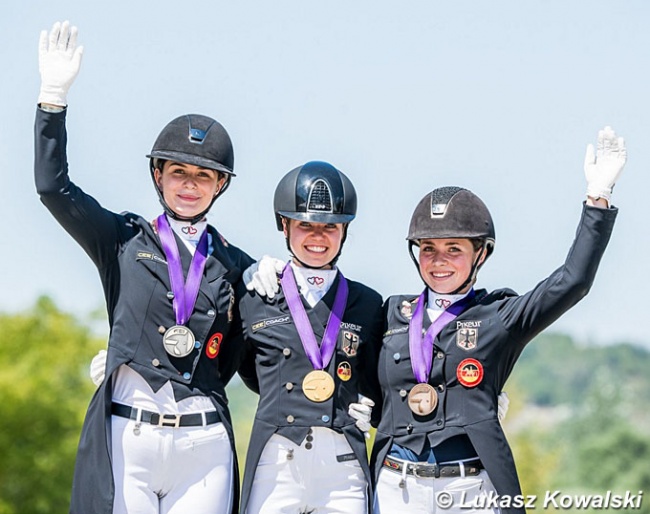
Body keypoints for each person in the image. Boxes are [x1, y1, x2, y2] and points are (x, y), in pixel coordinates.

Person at [35, 21, 254, 514]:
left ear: (220, 185)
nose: (190, 185)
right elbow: (54, 189)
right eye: (178, 172)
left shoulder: (238, 266)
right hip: (129, 433)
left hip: (203, 447)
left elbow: (244, 356)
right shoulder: (123, 238)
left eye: (204, 176)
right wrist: (53, 100)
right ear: (159, 175)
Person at [370, 126, 626, 514]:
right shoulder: (391, 312)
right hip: (396, 488)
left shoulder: (500, 316)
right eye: (428, 248)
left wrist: (598, 199)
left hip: (469, 490)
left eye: (453, 249)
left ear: (481, 254)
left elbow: (572, 282)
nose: (439, 260)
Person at [236, 161, 384, 514]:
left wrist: (469, 395)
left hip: (342, 464)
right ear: (284, 226)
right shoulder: (257, 295)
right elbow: (239, 369)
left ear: (344, 231)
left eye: (330, 227)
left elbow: (385, 382)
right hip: (276, 460)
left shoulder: (369, 303)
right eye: (306, 225)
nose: (318, 237)